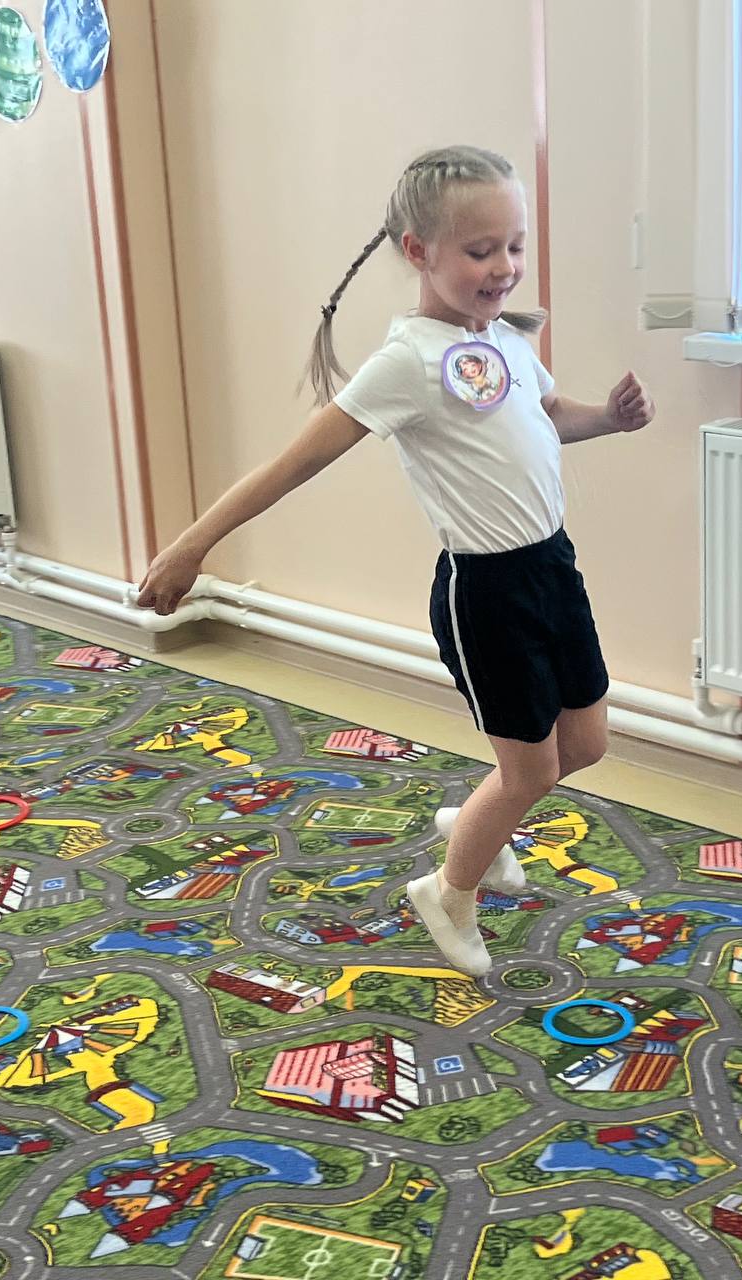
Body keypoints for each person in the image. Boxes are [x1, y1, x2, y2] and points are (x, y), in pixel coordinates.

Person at [137, 144, 655, 979]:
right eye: (480, 251)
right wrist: (191, 545)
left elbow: (551, 414)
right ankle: (447, 891)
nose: (504, 267)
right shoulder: (406, 363)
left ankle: (478, 823)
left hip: (553, 567)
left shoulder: (504, 340)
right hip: (486, 591)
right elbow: (294, 463)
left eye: (514, 245)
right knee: (530, 769)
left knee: (584, 744)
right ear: (419, 251)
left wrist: (612, 419)